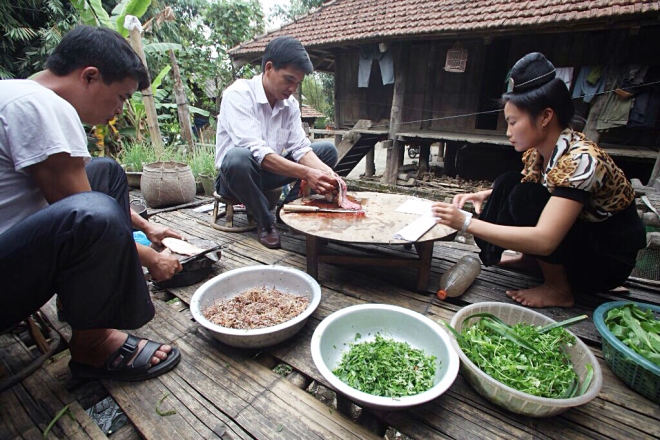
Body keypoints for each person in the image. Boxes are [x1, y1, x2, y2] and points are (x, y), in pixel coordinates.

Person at [0, 26, 182, 381]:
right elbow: (88, 216)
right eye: (121, 96)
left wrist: (147, 227)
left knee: (104, 171)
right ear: (90, 77)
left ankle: (78, 299)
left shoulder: (18, 92)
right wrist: (153, 259)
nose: (119, 109)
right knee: (93, 213)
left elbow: (78, 188)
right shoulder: (40, 106)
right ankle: (94, 343)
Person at [432, 52, 645, 308]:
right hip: (582, 243)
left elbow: (545, 239)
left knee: (526, 197)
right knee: (509, 182)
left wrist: (465, 222)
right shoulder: (540, 152)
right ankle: (530, 262)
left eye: (513, 122)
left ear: (545, 117)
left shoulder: (581, 159)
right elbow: (545, 185)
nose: (508, 132)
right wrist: (484, 194)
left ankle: (558, 288)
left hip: (606, 261)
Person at [215, 36, 339, 249]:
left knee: (326, 151)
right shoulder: (238, 94)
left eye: (297, 83)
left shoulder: (290, 105)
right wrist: (308, 174)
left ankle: (288, 209)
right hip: (236, 178)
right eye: (288, 80)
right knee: (239, 158)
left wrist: (328, 174)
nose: (292, 88)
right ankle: (266, 222)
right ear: (269, 68)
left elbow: (300, 148)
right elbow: (257, 152)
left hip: (268, 174)